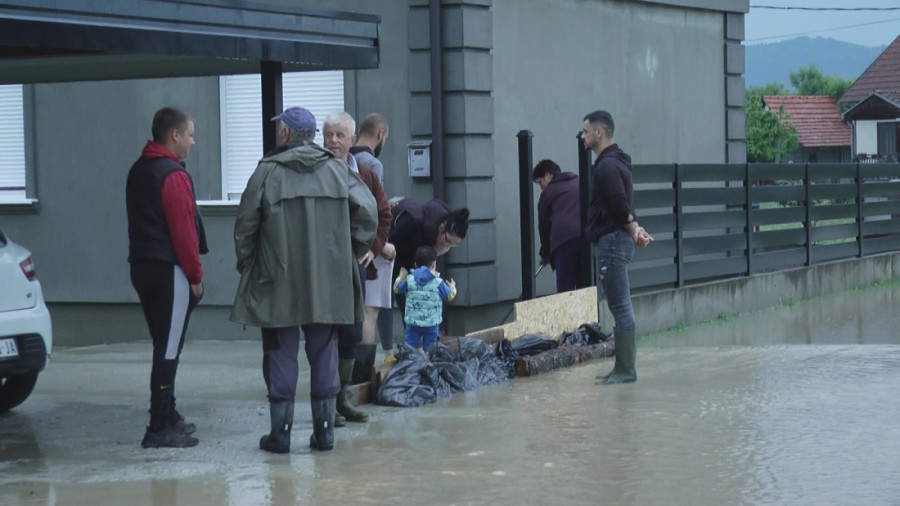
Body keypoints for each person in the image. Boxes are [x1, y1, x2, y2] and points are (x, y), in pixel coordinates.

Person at [230, 107, 377, 453]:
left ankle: (280, 435)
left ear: (285, 135)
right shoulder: (336, 169)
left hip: (275, 278)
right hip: (327, 279)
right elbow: (368, 212)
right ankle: (324, 433)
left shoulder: (267, 171)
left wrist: (248, 264)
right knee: (324, 351)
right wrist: (350, 251)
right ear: (313, 135)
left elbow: (245, 227)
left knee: (280, 352)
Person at [126, 106, 208, 448]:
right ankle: (159, 425)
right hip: (169, 271)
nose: (192, 141)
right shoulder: (172, 175)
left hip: (142, 266)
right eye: (189, 135)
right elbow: (183, 232)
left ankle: (169, 415)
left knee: (164, 343)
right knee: (168, 348)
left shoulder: (139, 169)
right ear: (173, 135)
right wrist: (195, 276)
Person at [322, 111, 392, 425]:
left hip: (354, 267)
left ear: (352, 140)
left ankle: (343, 401)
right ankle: (326, 403)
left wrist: (372, 248)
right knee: (325, 334)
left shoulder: (366, 174)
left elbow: (384, 215)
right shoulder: (315, 172)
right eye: (328, 135)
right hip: (321, 268)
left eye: (339, 135)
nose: (333, 141)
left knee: (352, 331)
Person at [581, 110, 652, 385]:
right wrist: (636, 230)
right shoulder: (619, 162)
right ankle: (621, 369)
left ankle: (625, 370)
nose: (583, 136)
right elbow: (623, 208)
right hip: (616, 239)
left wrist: (634, 228)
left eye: (586, 131)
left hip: (611, 242)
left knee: (620, 308)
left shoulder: (606, 167)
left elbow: (620, 206)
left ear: (599, 133)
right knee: (620, 307)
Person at [349, 113, 397, 365]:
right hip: (368, 248)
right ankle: (362, 371)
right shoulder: (373, 165)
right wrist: (382, 246)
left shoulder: (345, 159)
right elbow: (373, 212)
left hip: (347, 243)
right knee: (371, 311)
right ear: (380, 135)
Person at [388, 198, 469, 325]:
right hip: (389, 247)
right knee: (389, 299)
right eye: (448, 242)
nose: (447, 247)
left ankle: (417, 336)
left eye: (452, 245)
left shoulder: (433, 237)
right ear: (441, 228)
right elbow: (389, 242)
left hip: (408, 255)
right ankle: (398, 342)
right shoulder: (414, 221)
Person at [532, 159, 586, 293]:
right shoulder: (579, 182)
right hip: (586, 240)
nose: (541, 187)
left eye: (540, 182)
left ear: (548, 175)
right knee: (586, 291)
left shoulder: (547, 194)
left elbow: (544, 227)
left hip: (563, 244)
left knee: (565, 292)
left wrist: (545, 253)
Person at [393, 246, 457, 353]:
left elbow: (396, 289)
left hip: (413, 323)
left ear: (415, 265)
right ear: (433, 264)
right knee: (431, 351)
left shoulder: (410, 280)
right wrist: (453, 287)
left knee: (409, 349)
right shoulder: (438, 282)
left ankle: (409, 366)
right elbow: (449, 296)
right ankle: (430, 367)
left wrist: (401, 277)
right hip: (431, 324)